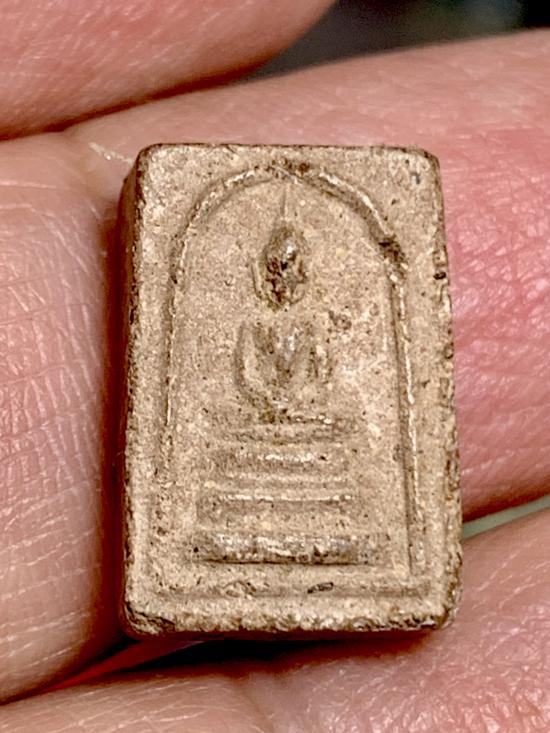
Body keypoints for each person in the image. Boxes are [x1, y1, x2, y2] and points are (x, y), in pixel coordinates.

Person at [0, 1, 549, 730]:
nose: (284, 278)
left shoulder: (315, 325)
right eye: (275, 266)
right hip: (257, 434)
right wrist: (271, 408)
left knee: (334, 438)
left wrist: (298, 408)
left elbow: (318, 378)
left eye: (293, 267)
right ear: (265, 272)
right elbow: (247, 377)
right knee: (237, 446)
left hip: (308, 433)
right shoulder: (254, 323)